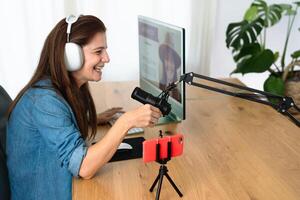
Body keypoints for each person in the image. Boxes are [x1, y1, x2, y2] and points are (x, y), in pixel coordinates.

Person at [6, 15, 162, 200]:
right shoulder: (43, 101)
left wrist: (91, 120)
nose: (106, 58)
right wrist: (126, 121)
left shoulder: (66, 88)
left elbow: (55, 131)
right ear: (70, 56)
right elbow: (84, 167)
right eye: (98, 51)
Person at [159, 32, 181, 102]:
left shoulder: (178, 95)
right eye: (166, 59)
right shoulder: (160, 88)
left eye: (171, 61)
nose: (169, 66)